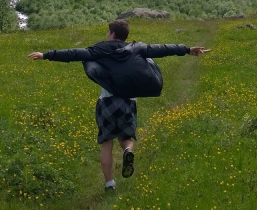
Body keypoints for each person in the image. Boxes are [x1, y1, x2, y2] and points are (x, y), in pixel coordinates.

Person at [28, 19, 209, 191]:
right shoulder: (137, 47)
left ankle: (110, 184)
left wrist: (46, 55)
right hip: (128, 102)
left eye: (108, 31)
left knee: (106, 143)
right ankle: (128, 151)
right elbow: (162, 49)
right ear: (125, 35)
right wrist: (187, 49)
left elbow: (74, 54)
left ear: (112, 33)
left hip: (107, 102)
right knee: (126, 138)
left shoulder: (100, 49)